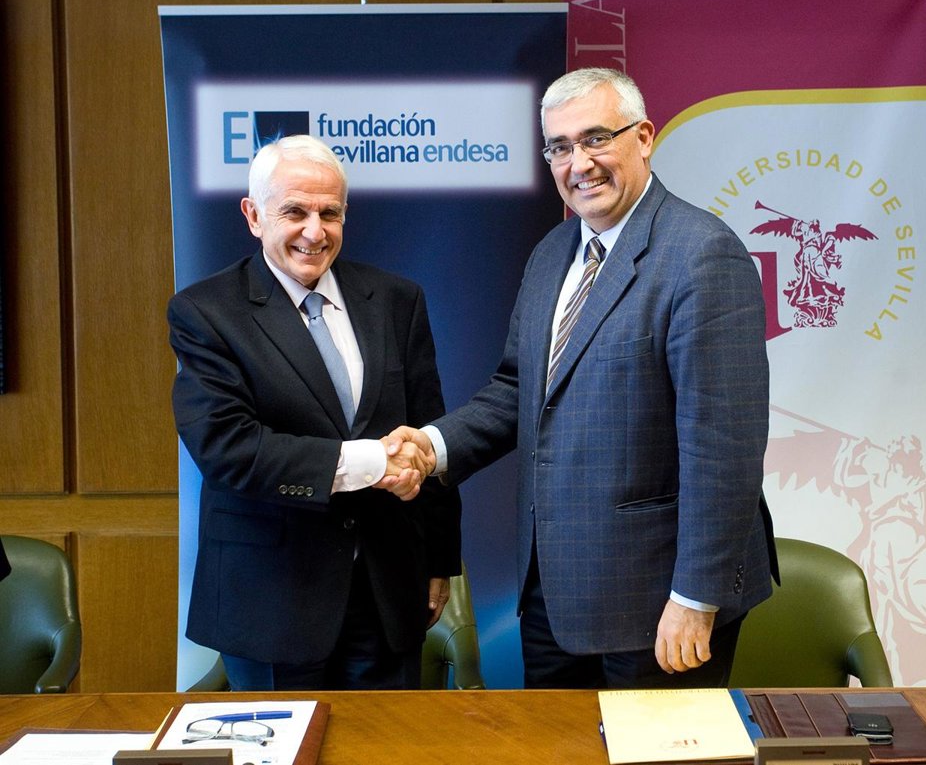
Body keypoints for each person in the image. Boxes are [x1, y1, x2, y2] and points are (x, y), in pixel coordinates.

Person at [385, 68, 778, 689]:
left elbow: (723, 445)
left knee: (657, 748)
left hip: (658, 598)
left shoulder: (702, 254)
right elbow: (519, 390)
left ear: (643, 138)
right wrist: (431, 447)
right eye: (560, 147)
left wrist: (696, 597)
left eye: (596, 138)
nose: (580, 164)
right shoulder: (552, 253)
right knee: (556, 741)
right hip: (552, 593)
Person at [168, 134, 460, 690]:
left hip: (387, 593)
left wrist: (440, 560)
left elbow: (429, 435)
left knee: (388, 740)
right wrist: (372, 462)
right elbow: (228, 449)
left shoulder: (396, 300)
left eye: (330, 213)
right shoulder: (206, 313)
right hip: (270, 599)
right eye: (295, 212)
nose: (314, 231)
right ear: (253, 216)